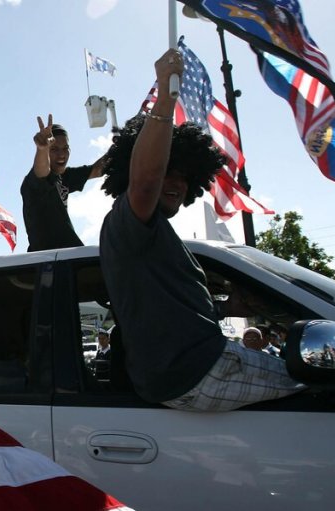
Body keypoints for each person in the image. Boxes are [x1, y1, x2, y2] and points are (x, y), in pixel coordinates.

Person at [98, 49, 304, 412]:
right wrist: (165, 97)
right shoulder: (127, 222)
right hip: (198, 371)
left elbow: (166, 312)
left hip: (192, 368)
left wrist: (225, 309)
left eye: (183, 176)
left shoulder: (155, 238)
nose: (174, 183)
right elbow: (145, 184)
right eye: (167, 172)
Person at [21, 113, 107, 251]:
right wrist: (42, 149)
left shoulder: (65, 177)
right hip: (48, 260)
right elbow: (41, 171)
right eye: (54, 149)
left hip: (72, 256)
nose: (62, 154)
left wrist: (125, 143)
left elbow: (97, 169)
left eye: (65, 148)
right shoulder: (34, 182)